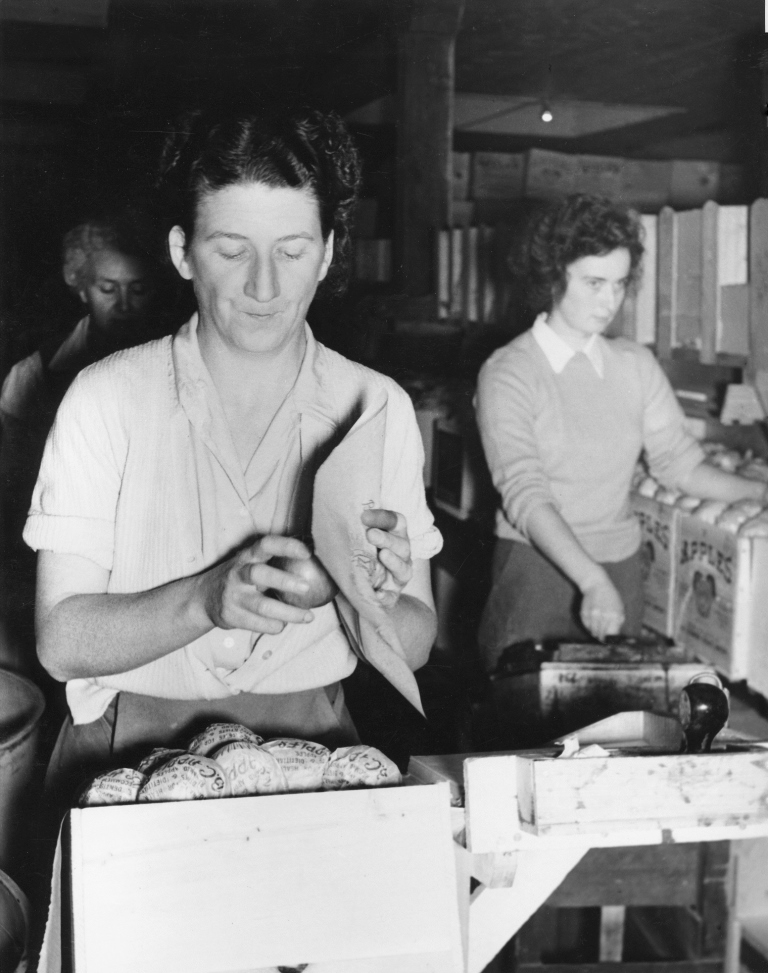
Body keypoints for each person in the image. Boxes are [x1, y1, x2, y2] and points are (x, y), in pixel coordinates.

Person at [23, 106, 442, 811]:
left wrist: (354, 587)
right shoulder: (106, 398)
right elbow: (61, 639)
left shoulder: (377, 407)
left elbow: (418, 638)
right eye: (231, 248)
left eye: (292, 249)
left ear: (331, 252)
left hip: (315, 752)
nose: (265, 286)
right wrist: (205, 600)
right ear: (183, 252)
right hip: (126, 751)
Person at [475, 193, 767, 672]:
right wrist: (589, 579)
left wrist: (759, 492)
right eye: (593, 283)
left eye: (618, 283)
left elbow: (681, 464)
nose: (609, 300)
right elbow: (525, 495)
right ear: (553, 276)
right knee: (524, 731)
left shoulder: (633, 364)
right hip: (537, 570)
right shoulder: (510, 372)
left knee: (614, 729)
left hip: (620, 567)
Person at [0, 216, 162, 670]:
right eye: (109, 289)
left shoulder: (173, 367)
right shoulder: (35, 372)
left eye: (139, 288)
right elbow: (9, 481)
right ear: (80, 286)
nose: (126, 304)